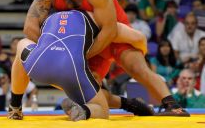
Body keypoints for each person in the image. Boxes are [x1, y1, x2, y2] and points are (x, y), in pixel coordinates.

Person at [22, 0, 189, 116]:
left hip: (113, 35)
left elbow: (110, 31)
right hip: (83, 40)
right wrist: (50, 49)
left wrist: (81, 56)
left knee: (136, 67)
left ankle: (173, 106)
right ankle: (129, 104)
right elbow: (30, 26)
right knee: (86, 90)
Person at [9, 10, 153, 121]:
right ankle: (84, 110)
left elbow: (30, 31)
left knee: (22, 44)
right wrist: (142, 54)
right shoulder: (98, 17)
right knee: (101, 108)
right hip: (71, 70)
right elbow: (139, 37)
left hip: (38, 64)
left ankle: (15, 106)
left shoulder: (51, 16)